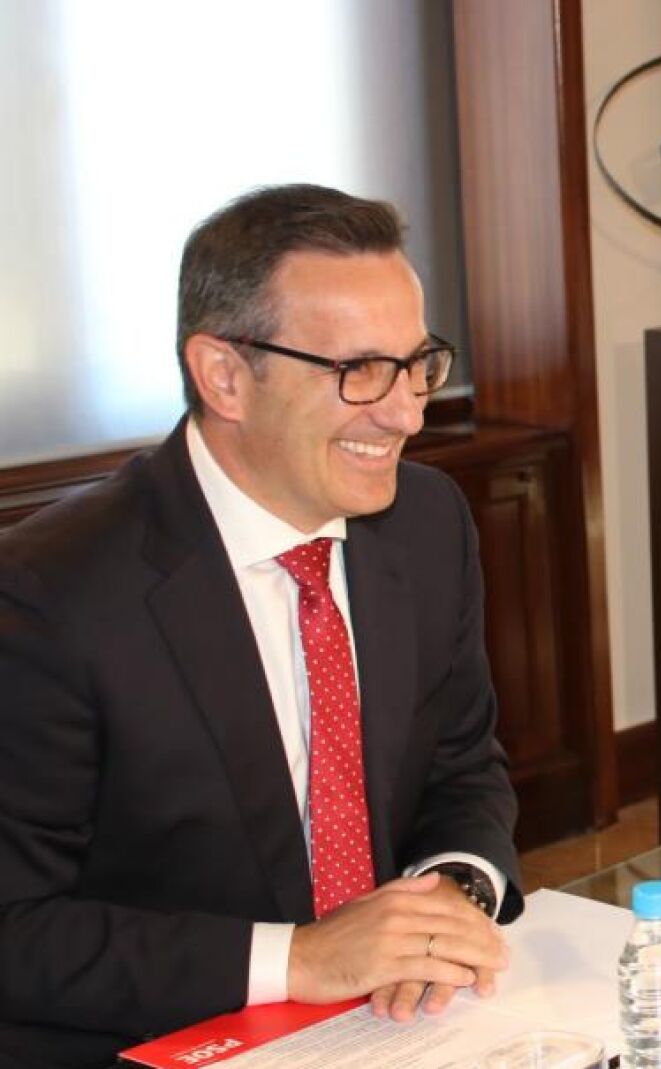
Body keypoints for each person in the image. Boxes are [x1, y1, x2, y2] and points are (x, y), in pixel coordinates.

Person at [0, 185, 522, 1068]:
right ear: (224, 376)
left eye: (417, 363)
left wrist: (451, 889)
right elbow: (15, 927)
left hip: (393, 1027)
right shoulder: (49, 592)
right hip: (155, 1041)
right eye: (360, 370)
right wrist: (300, 959)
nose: (406, 412)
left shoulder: (428, 522)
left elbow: (462, 764)